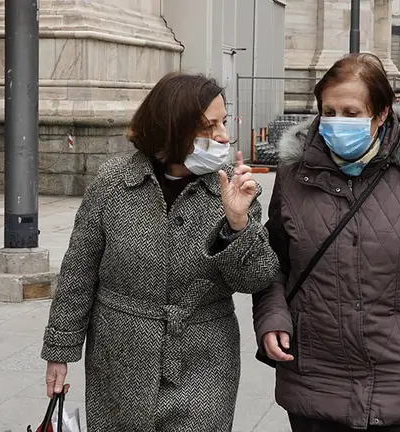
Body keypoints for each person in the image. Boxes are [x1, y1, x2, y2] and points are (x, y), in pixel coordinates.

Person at [253, 53, 400, 432]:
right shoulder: (295, 173)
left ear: (381, 114)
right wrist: (273, 318)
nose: (337, 122)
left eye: (351, 112)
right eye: (329, 111)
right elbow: (273, 261)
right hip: (315, 378)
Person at [42, 72, 280, 431]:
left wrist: (237, 224)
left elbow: (255, 278)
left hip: (204, 358)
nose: (223, 137)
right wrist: (60, 351)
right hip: (119, 356)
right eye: (207, 126)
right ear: (171, 127)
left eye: (223, 122)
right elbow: (79, 270)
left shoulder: (235, 189)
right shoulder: (113, 182)